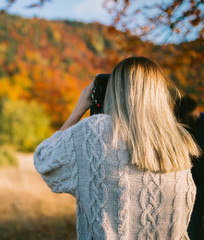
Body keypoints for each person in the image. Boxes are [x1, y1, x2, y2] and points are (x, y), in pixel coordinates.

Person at [34, 56, 200, 239]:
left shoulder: (94, 131)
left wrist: (79, 108)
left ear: (115, 90)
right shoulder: (177, 143)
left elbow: (44, 159)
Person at [175, 96, 204, 240]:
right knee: (192, 226)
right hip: (191, 186)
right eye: (185, 119)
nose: (188, 121)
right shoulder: (183, 128)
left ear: (196, 109)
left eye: (190, 117)